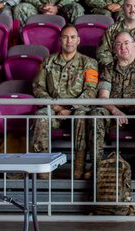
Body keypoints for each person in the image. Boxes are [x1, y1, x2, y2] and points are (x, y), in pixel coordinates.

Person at [31, 26, 99, 179]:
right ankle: (43, 166)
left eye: (73, 37)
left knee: (82, 116)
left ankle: (79, 166)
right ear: (60, 39)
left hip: (77, 110)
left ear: (78, 40)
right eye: (66, 37)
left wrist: (70, 108)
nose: (69, 41)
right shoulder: (48, 61)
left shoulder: (89, 63)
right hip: (53, 109)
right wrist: (54, 106)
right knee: (41, 116)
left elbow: (90, 91)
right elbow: (38, 86)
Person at [94, 31, 135, 179]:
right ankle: (96, 166)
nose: (123, 47)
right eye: (119, 44)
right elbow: (103, 96)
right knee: (96, 113)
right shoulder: (108, 68)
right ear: (114, 48)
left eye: (126, 43)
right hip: (116, 117)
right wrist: (115, 110)